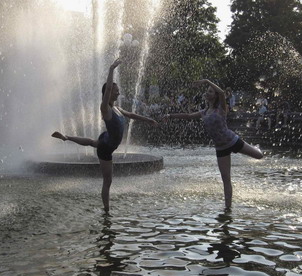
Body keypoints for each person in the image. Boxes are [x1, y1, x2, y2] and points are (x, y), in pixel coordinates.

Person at [51, 59, 158, 213]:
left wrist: (147, 120)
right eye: (116, 90)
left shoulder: (118, 109)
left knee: (91, 142)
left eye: (118, 90)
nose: (118, 92)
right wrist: (111, 69)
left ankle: (66, 137)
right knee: (107, 180)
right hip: (106, 148)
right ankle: (106, 211)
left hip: (106, 139)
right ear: (108, 93)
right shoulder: (105, 109)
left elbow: (132, 114)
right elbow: (107, 89)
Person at [162, 79, 263, 210]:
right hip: (221, 148)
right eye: (207, 91)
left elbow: (221, 92)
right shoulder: (203, 112)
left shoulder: (221, 108)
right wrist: (170, 115)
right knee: (226, 178)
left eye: (210, 91)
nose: (207, 93)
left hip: (232, 141)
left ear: (215, 96)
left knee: (259, 156)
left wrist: (206, 81)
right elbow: (187, 115)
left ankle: (256, 147)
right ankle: (228, 208)